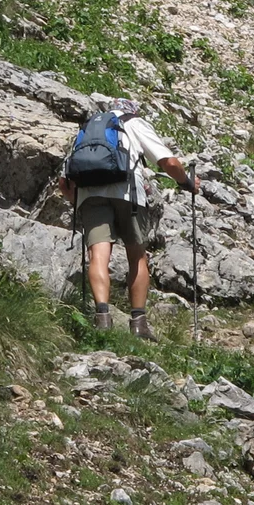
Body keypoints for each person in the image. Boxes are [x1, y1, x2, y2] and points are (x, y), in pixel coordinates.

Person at [57, 97, 197, 341]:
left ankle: (102, 318)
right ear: (131, 110)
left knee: (98, 255)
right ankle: (139, 324)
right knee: (136, 256)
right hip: (127, 193)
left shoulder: (89, 128)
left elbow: (64, 181)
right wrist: (186, 183)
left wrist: (77, 201)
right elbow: (169, 162)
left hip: (90, 195)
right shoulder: (133, 123)